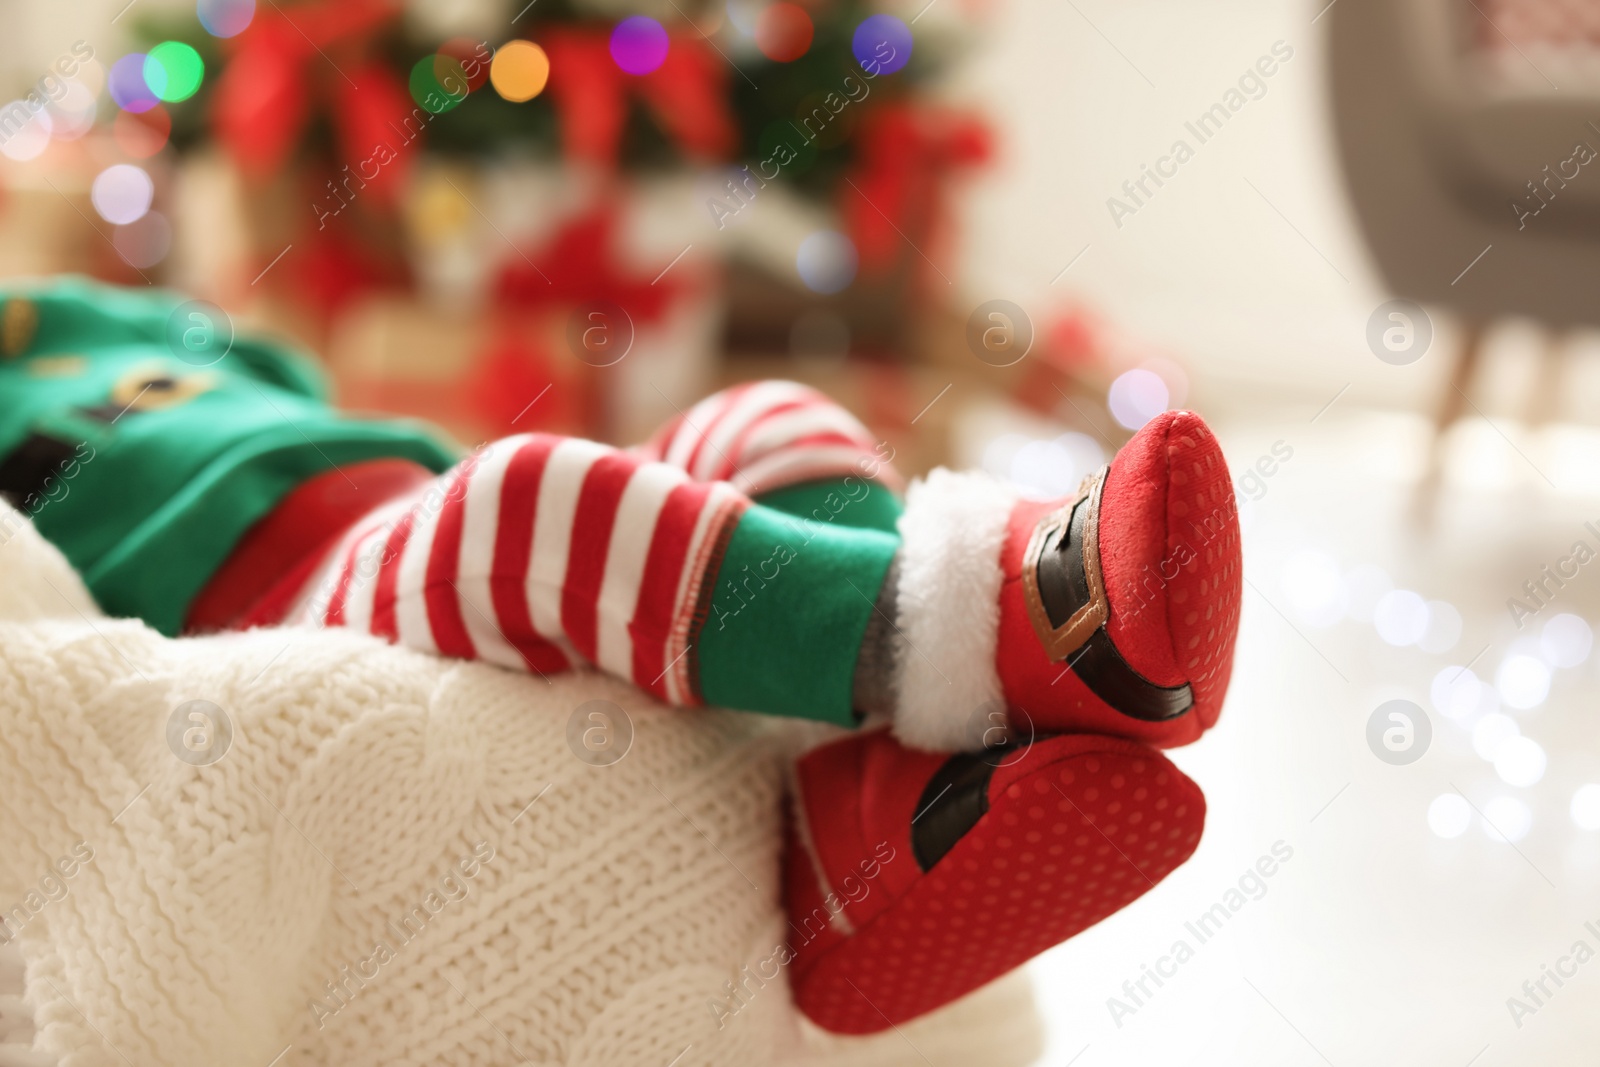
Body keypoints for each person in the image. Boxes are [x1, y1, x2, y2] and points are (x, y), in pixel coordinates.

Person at [0, 276, 1241, 1033]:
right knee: (524, 505)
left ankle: (860, 832)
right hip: (298, 599)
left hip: (394, 496)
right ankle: (1008, 625)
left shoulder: (91, 315)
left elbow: (292, 385)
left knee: (762, 415)